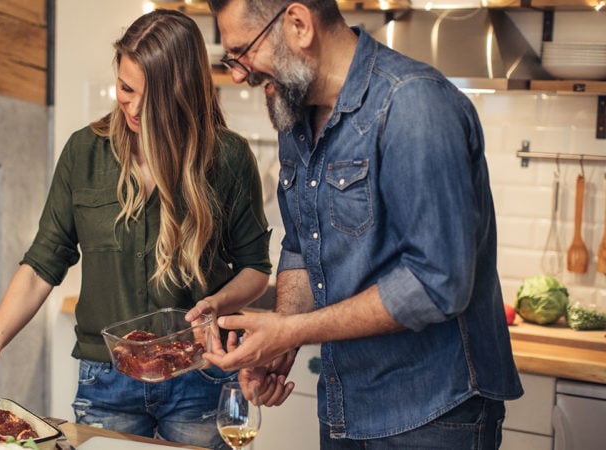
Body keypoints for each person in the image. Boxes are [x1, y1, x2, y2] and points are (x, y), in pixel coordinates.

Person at [0, 9, 272, 449]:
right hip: (106, 383)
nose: (130, 105)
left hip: (199, 378)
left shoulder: (226, 158)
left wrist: (216, 304)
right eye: (125, 87)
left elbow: (256, 269)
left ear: (180, 96)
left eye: (148, 97)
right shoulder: (84, 152)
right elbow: (41, 265)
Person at [203, 1, 524, 448]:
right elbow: (300, 245)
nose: (238, 73)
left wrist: (292, 330)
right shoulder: (295, 113)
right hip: (344, 404)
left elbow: (439, 283)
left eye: (243, 51)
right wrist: (281, 342)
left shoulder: (412, 103)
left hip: (431, 414)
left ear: (298, 25)